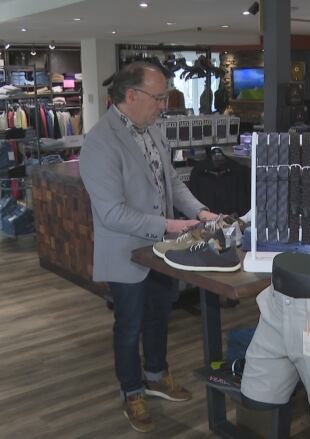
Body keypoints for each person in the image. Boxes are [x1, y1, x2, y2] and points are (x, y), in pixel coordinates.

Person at [80, 62, 219, 433]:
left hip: (161, 250)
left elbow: (170, 181)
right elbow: (111, 213)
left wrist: (199, 210)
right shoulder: (99, 141)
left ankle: (156, 374)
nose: (163, 105)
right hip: (127, 252)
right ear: (131, 96)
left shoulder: (154, 129)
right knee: (129, 325)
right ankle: (132, 390)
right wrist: (170, 225)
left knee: (160, 314)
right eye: (158, 98)